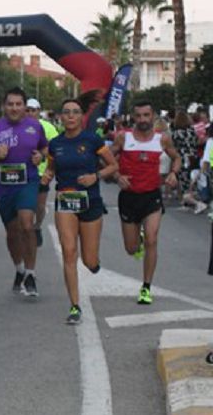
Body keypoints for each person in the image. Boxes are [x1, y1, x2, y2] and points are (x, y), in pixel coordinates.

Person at [40, 99, 118, 324]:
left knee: (89, 260)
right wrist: (45, 178)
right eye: (66, 113)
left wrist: (96, 176)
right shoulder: (55, 144)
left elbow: (113, 166)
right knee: (69, 251)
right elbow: (52, 168)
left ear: (82, 116)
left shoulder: (93, 139)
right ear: (61, 118)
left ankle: (94, 264)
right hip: (65, 201)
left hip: (90, 201)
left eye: (75, 112)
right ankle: (75, 306)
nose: (71, 116)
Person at [0, 87, 48, 298]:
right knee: (12, 232)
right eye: (10, 104)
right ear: (4, 106)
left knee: (27, 224)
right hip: (4, 187)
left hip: (27, 183)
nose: (14, 108)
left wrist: (40, 155)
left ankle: (31, 273)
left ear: (25, 107)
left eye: (18, 104)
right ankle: (19, 269)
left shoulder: (35, 126)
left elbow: (45, 149)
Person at [110, 100, 182, 305]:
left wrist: (173, 174)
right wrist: (116, 175)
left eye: (146, 115)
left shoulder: (163, 139)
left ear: (153, 116)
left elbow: (176, 158)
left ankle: (146, 287)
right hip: (129, 197)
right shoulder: (124, 137)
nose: (142, 120)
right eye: (138, 116)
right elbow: (106, 158)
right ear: (133, 117)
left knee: (152, 239)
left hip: (151, 196)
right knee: (131, 249)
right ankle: (137, 242)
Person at [27, 98, 60, 248]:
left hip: (42, 174)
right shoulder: (18, 126)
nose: (30, 113)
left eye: (33, 110)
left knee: (40, 206)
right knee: (24, 205)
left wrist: (44, 158)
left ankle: (37, 226)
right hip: (23, 174)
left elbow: (56, 150)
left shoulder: (48, 127)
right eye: (27, 110)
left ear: (39, 111)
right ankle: (25, 231)